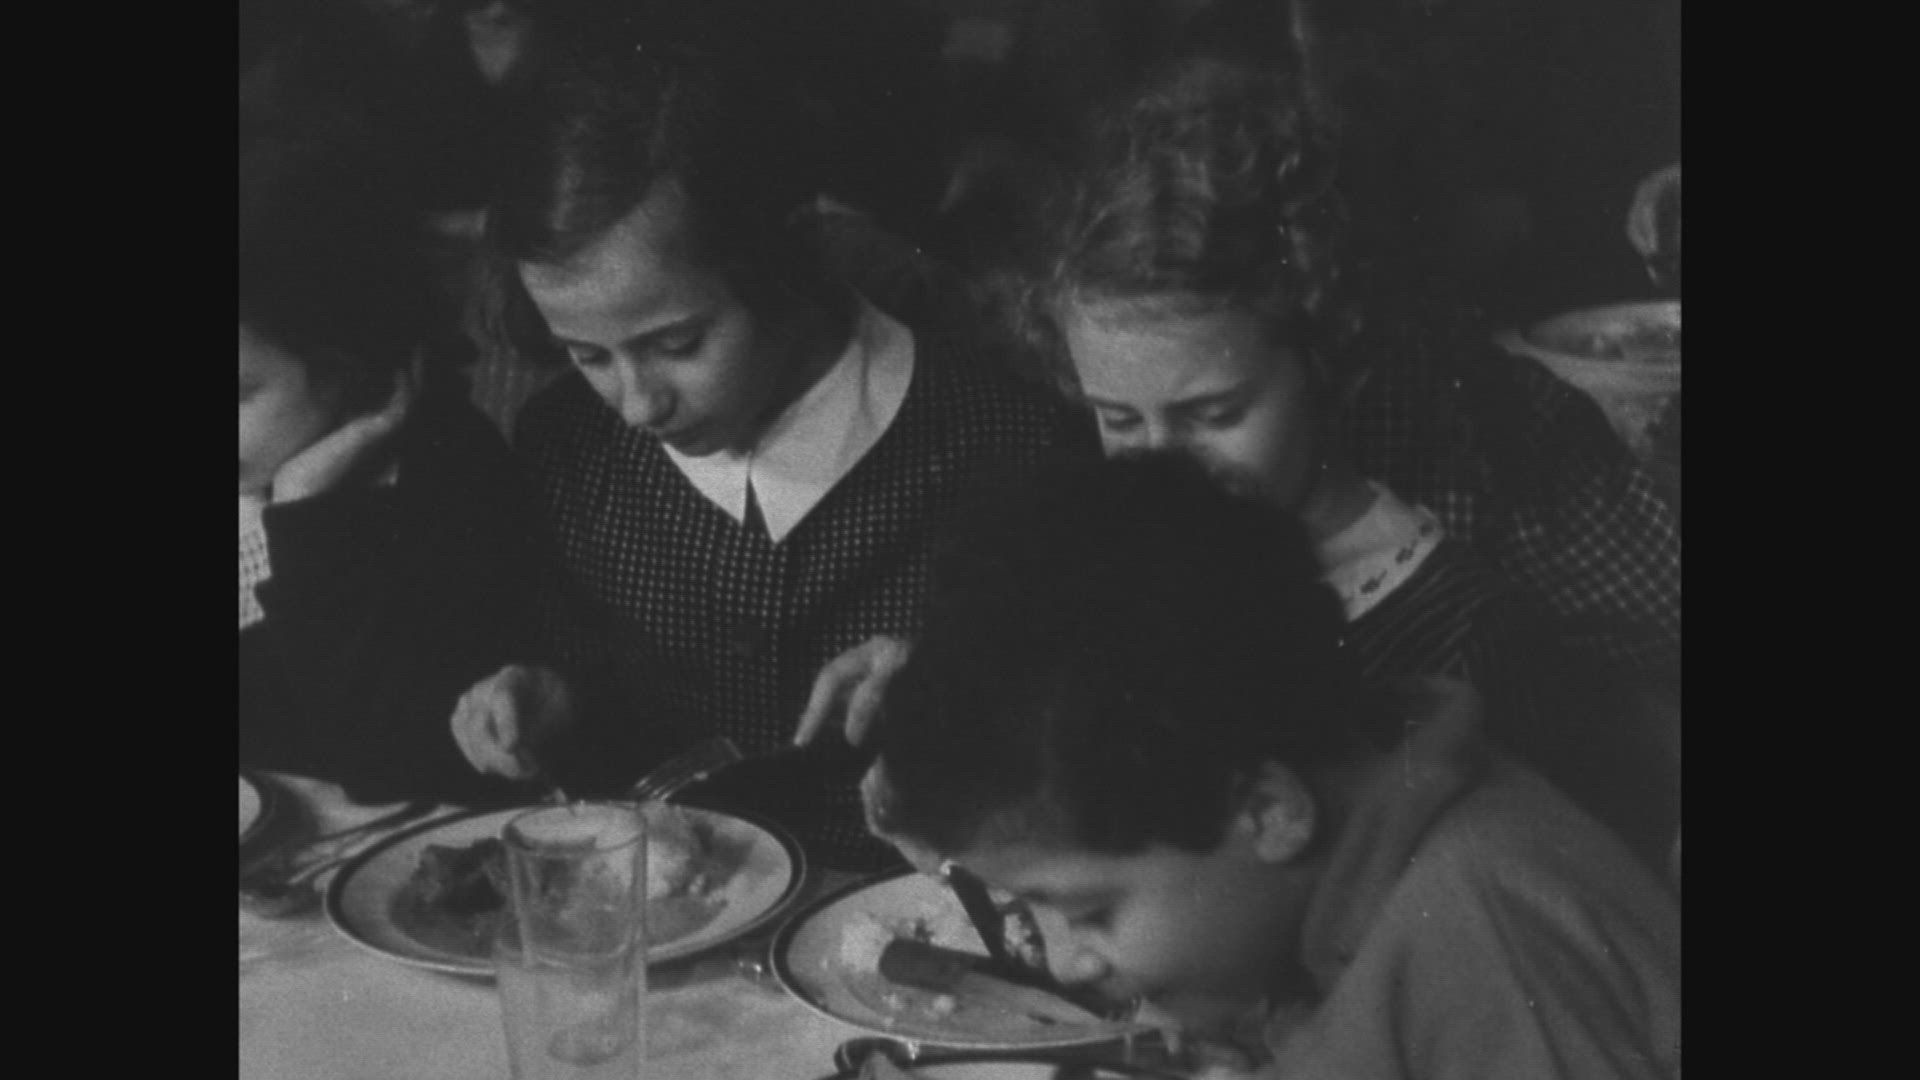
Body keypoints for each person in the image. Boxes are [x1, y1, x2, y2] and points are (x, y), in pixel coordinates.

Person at [447, 32, 1094, 868]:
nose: (638, 405)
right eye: (588, 355)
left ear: (783, 259)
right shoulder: (568, 444)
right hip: (660, 910)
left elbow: (1084, 762)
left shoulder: (1011, 446)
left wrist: (972, 707)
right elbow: (598, 683)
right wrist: (551, 702)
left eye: (679, 343)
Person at [862, 453, 1681, 1079]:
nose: (1068, 961)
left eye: (1090, 913)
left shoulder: (1487, 935)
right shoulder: (1339, 862)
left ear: (1267, 811)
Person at [239, 128, 531, 805]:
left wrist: (306, 510)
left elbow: (385, 761)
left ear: (350, 363)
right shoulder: (252, 469)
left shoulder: (447, 475)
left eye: (238, 394)